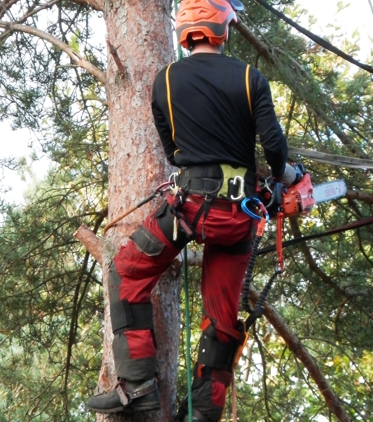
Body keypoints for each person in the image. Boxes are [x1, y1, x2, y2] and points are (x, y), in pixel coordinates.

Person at [86, 0, 297, 420]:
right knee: (221, 315)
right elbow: (273, 147)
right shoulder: (250, 77)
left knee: (127, 272)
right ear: (223, 26)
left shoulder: (164, 79)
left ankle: (138, 383)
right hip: (240, 218)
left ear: (185, 30)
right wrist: (286, 176)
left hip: (189, 209)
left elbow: (170, 149)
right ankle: (203, 413)